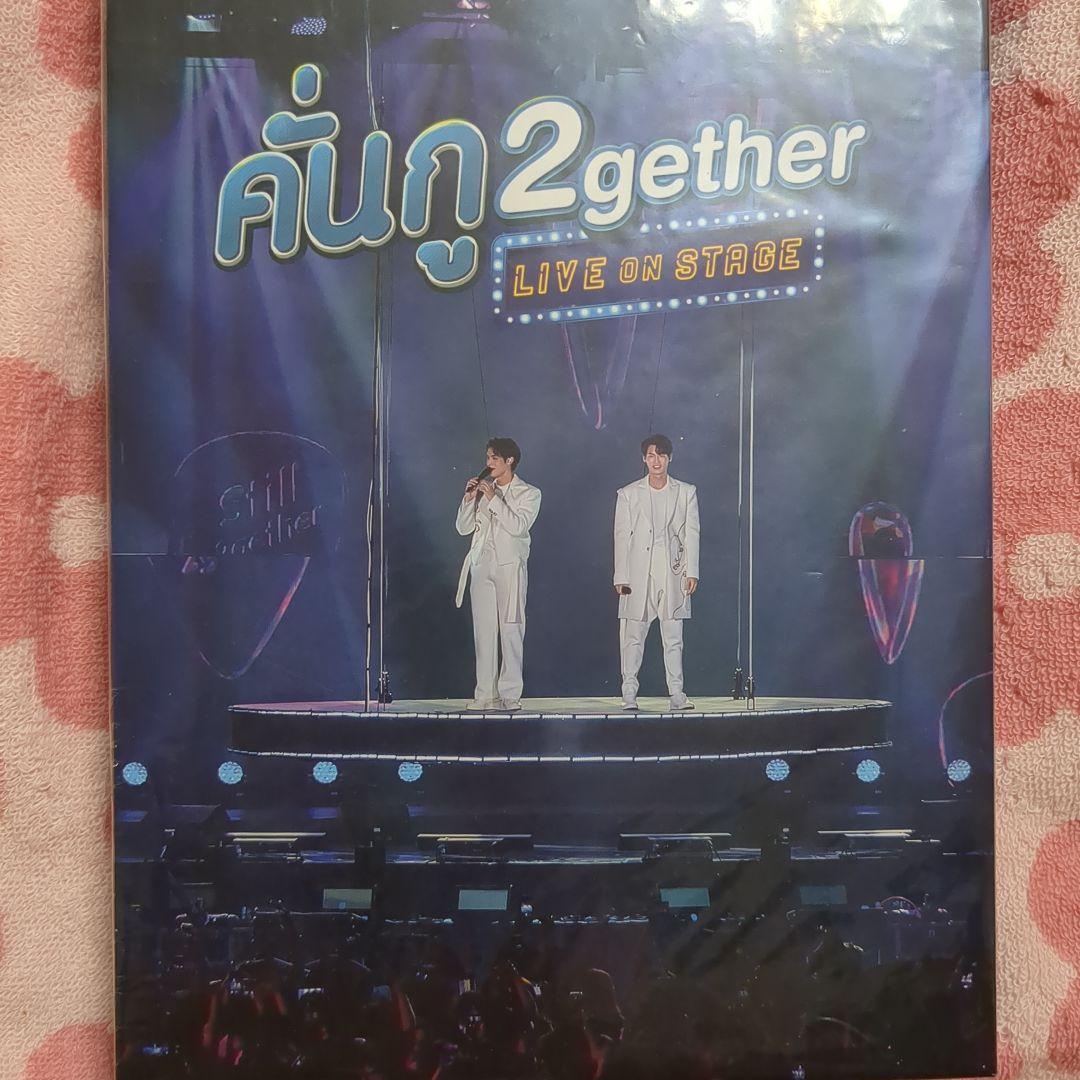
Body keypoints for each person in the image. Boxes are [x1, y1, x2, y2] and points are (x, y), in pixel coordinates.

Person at [613, 434, 699, 710]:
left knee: (673, 636)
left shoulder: (685, 492)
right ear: (644, 459)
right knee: (632, 635)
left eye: (661, 455)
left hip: (672, 573)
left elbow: (692, 533)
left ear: (669, 458)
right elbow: (621, 536)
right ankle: (629, 692)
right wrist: (620, 576)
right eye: (651, 455)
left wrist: (692, 571)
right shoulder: (628, 494)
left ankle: (677, 693)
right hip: (638, 573)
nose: (656, 461)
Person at [455, 437, 541, 711]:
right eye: (488, 457)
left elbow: (518, 526)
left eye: (494, 458)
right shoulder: (482, 490)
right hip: (482, 565)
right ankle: (485, 694)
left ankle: (510, 694)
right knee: (484, 632)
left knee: (511, 628)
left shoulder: (529, 493)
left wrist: (493, 499)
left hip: (510, 567)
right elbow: (463, 528)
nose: (488, 463)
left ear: (509, 460)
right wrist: (469, 500)